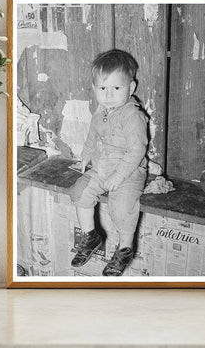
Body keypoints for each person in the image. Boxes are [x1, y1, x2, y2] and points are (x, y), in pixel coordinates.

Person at [69, 49, 148, 276]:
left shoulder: (132, 116)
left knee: (122, 207)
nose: (109, 95)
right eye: (103, 88)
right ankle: (91, 236)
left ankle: (125, 249)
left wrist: (119, 176)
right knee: (79, 192)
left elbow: (137, 150)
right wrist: (85, 157)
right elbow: (92, 137)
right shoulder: (100, 111)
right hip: (102, 166)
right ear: (94, 89)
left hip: (129, 171)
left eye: (116, 88)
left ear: (130, 88)